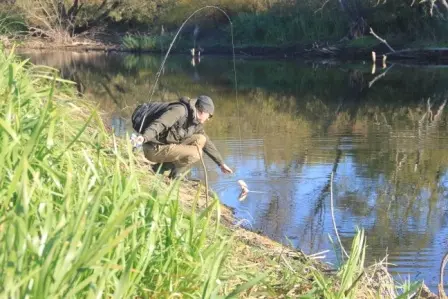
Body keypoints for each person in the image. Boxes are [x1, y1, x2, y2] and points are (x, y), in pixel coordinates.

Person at [135, 95, 233, 179]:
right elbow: (160, 124)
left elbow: (207, 142)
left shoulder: (196, 123)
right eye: (209, 115)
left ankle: (175, 175)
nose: (208, 119)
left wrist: (221, 163)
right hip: (153, 149)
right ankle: (158, 169)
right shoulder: (180, 110)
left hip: (166, 146)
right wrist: (144, 137)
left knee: (201, 139)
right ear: (203, 111)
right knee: (196, 154)